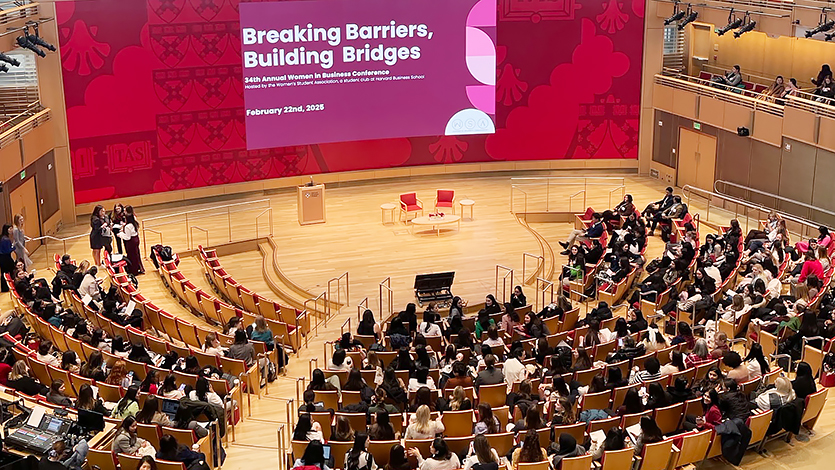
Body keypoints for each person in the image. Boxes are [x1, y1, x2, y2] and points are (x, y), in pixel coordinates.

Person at [116, 207, 145, 275]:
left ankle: (134, 270)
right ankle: (138, 268)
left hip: (131, 242)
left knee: (132, 255)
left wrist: (120, 234)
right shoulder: (134, 224)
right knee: (136, 254)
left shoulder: (127, 226)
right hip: (136, 239)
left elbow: (127, 237)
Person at [0, 225, 15, 293]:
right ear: (7, 230)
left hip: (2, 258)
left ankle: (5, 288)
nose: (12, 230)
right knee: (10, 271)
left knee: (4, 273)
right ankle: (11, 286)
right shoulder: (5, 239)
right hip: (5, 257)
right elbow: (7, 250)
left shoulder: (3, 238)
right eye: (10, 228)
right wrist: (13, 247)